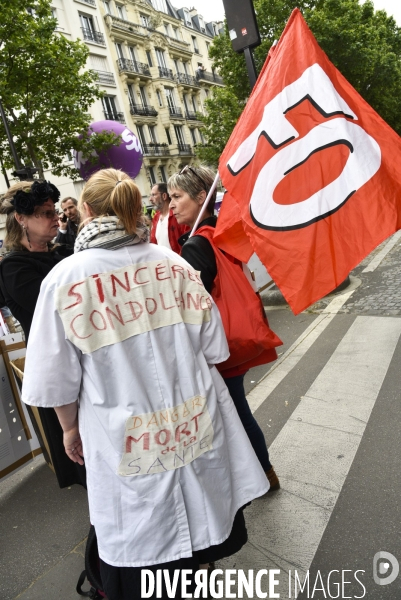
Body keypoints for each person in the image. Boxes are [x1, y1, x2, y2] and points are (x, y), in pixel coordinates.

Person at [22, 168, 269, 600]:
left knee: (146, 547)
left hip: (124, 436)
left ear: (85, 210)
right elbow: (214, 347)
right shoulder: (173, 264)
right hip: (191, 421)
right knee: (197, 529)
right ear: (136, 209)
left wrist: (69, 428)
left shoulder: (65, 280)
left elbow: (56, 379)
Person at [168, 165, 281, 490]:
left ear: (201, 197)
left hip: (218, 345)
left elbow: (193, 306)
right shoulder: (220, 232)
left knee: (234, 413)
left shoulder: (195, 245)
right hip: (236, 335)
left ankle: (261, 475)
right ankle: (262, 473)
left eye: (177, 197)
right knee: (236, 409)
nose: (172, 205)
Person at [0, 179, 86, 489]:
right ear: (21, 219)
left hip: (84, 358)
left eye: (54, 211)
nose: (55, 218)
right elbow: (57, 311)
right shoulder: (13, 267)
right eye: (45, 213)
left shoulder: (61, 253)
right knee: (82, 455)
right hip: (55, 365)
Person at [149, 182, 188, 253]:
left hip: (179, 262)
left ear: (164, 196)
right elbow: (154, 243)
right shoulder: (155, 217)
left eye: (153, 195)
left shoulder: (177, 215)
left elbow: (186, 242)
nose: (150, 199)